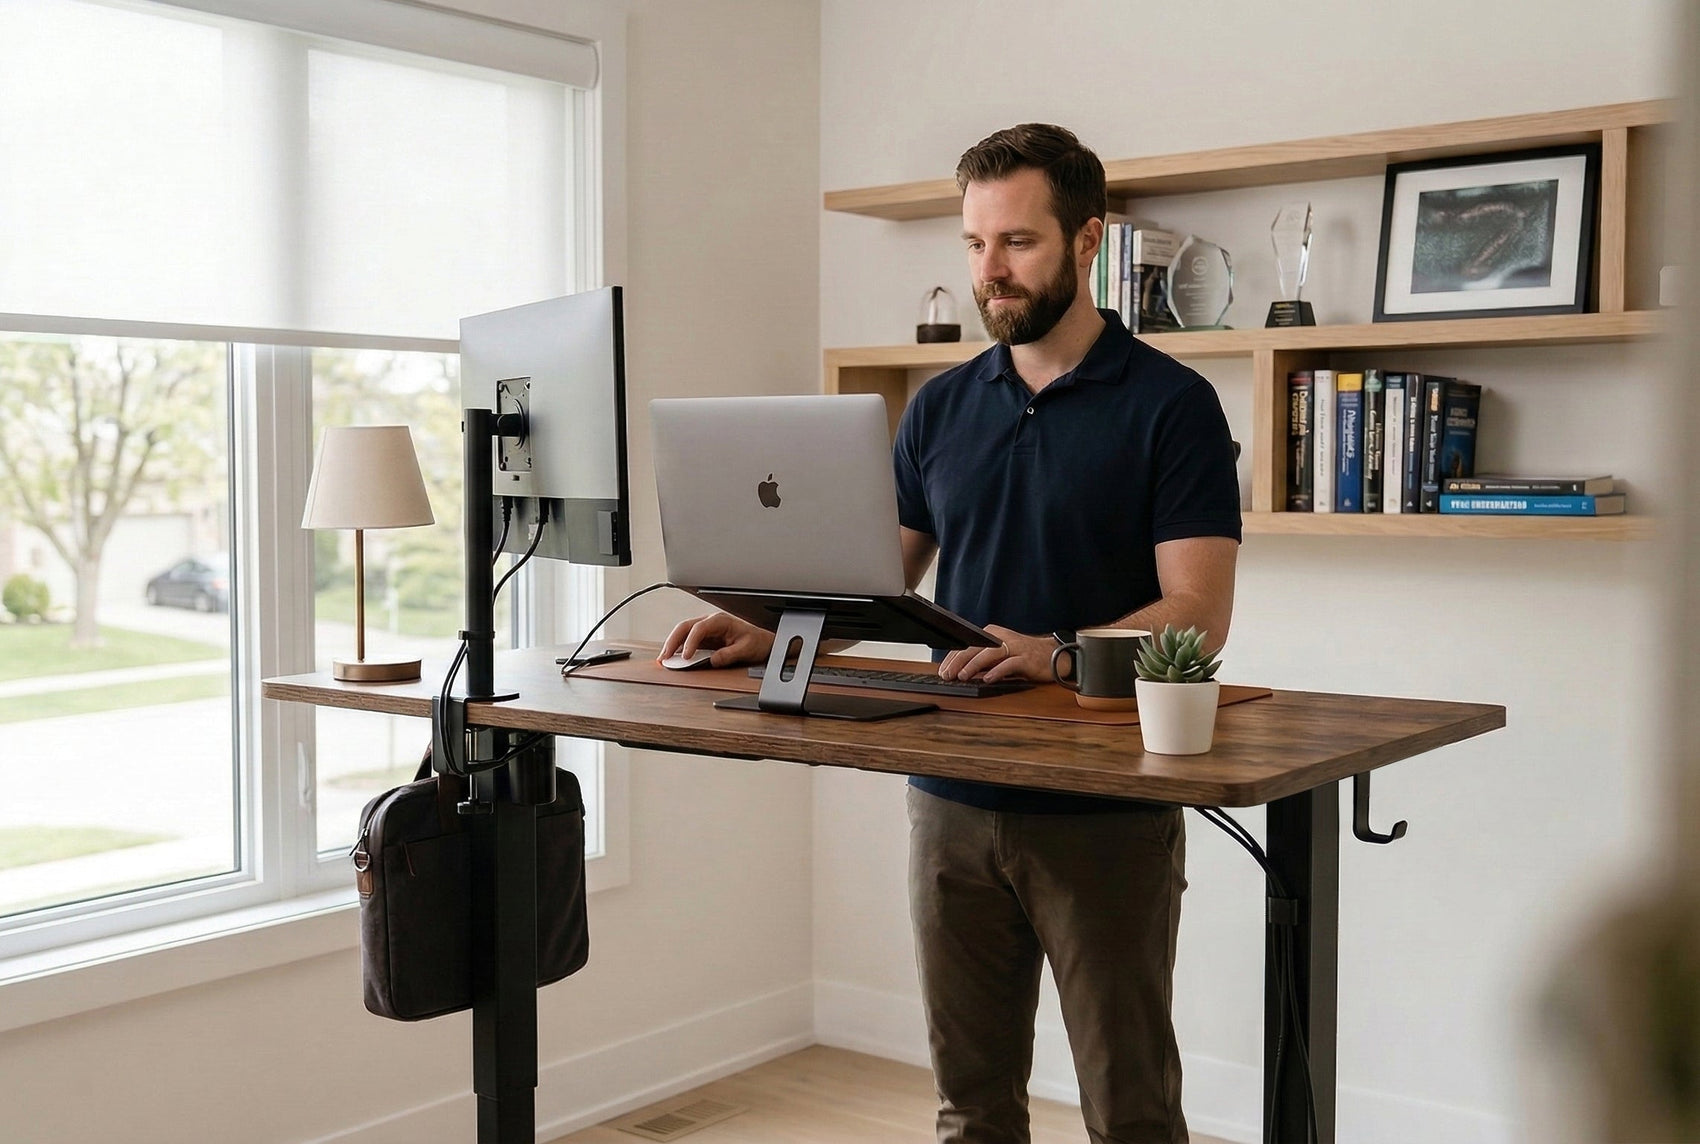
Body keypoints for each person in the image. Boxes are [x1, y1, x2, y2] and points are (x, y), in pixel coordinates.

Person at [661, 123, 1241, 1144]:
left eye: (1015, 242)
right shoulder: (935, 406)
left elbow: (1195, 613)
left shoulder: (1172, 406)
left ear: (1087, 239)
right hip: (948, 798)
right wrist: (764, 627)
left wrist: (1051, 650)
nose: (989, 271)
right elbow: (873, 580)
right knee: (968, 1112)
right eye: (973, 244)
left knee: (1131, 1110)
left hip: (1102, 806)